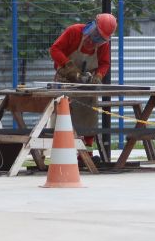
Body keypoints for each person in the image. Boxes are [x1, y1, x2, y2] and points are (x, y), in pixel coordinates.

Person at [50, 13, 117, 151]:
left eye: (100, 39)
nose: (94, 41)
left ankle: (87, 151)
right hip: (65, 81)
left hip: (87, 85)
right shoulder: (74, 32)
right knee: (64, 116)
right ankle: (64, 149)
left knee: (89, 114)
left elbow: (104, 63)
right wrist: (68, 66)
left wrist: (98, 76)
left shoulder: (102, 46)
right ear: (92, 26)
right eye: (95, 35)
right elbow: (54, 50)